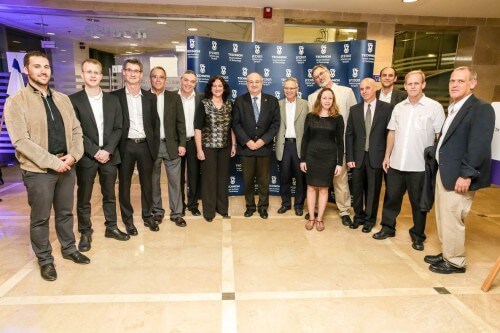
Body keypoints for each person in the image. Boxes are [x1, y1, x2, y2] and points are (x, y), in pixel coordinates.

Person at [4, 51, 89, 282]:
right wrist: (53, 163)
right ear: (26, 70)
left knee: (65, 213)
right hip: (38, 171)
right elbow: (21, 141)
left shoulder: (62, 99)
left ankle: (69, 249)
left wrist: (73, 156)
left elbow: (76, 130)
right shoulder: (16, 101)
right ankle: (45, 260)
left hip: (67, 165)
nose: (43, 71)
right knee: (40, 218)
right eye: (37, 66)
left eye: (46, 67)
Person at [425, 66, 495, 274]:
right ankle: (448, 251)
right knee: (443, 216)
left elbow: (479, 146)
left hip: (459, 175)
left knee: (453, 217)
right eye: (452, 81)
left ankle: (455, 261)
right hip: (445, 172)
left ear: (472, 83)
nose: (454, 85)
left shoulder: (480, 108)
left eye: (460, 81)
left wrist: (466, 174)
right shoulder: (456, 107)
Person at [373, 70, 445, 251]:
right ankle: (388, 228)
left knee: (418, 204)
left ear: (423, 85)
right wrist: (387, 155)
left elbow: (440, 136)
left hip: (420, 167)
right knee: (391, 199)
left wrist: (436, 163)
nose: (412, 86)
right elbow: (392, 132)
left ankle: (418, 235)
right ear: (404, 86)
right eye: (409, 84)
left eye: (416, 83)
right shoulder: (399, 107)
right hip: (397, 163)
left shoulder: (434, 107)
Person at [70, 58, 129, 252]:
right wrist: (95, 151)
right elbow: (75, 130)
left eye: (96, 72)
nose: (93, 75)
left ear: (101, 76)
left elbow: (118, 128)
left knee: (109, 194)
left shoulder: (113, 100)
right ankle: (85, 232)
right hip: (87, 157)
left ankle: (111, 227)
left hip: (110, 156)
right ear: (83, 74)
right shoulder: (74, 100)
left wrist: (108, 150)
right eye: (89, 72)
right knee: (84, 197)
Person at [111, 58, 160, 235]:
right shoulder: (114, 97)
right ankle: (128, 221)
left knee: (147, 184)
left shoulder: (150, 97)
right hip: (125, 146)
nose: (132, 74)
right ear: (124, 73)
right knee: (124, 185)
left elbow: (155, 123)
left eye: (136, 71)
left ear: (141, 75)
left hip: (145, 146)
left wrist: (153, 145)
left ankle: (148, 217)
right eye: (129, 70)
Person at [308, 64, 356, 226]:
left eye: (321, 73)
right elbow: (312, 124)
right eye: (316, 77)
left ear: (329, 72)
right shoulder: (312, 97)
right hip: (318, 150)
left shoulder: (347, 92)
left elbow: (354, 120)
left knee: (340, 181)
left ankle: (344, 211)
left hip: (339, 147)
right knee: (316, 183)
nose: (319, 77)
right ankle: (315, 211)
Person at [346, 78, 393, 233]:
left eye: (367, 88)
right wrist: (350, 157)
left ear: (375, 88)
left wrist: (387, 155)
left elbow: (389, 134)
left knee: (373, 190)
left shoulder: (387, 108)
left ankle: (370, 220)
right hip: (358, 158)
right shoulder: (354, 109)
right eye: (361, 89)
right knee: (357, 189)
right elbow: (350, 135)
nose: (364, 91)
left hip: (377, 157)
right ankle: (358, 217)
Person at [232, 72, 280, 219]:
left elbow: (275, 124)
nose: (254, 84)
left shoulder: (272, 101)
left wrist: (262, 141)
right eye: (251, 82)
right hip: (246, 148)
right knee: (248, 181)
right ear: (246, 84)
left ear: (262, 83)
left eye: (257, 82)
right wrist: (247, 141)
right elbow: (236, 123)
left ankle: (263, 207)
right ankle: (250, 206)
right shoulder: (239, 101)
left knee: (264, 181)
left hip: (264, 148)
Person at [300, 88, 344, 232]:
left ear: (333, 100)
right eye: (324, 98)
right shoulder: (310, 116)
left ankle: (320, 219)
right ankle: (311, 217)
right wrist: (303, 159)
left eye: (330, 98)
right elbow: (305, 139)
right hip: (312, 156)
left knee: (324, 189)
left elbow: (340, 142)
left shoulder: (338, 118)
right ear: (319, 99)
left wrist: (339, 162)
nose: (327, 101)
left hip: (329, 158)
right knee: (311, 187)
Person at [194, 76, 236, 222]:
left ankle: (222, 209)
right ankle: (209, 212)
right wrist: (199, 149)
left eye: (220, 86)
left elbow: (232, 127)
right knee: (209, 180)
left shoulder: (230, 104)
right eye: (214, 86)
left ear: (224, 88)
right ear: (210, 88)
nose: (217, 88)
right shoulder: (204, 103)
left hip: (225, 147)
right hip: (208, 148)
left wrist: (234, 144)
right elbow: (198, 128)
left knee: (222, 180)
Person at [150, 67, 187, 228]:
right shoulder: (144, 97)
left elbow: (181, 122)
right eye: (155, 77)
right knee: (153, 181)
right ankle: (157, 212)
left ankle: (177, 214)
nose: (158, 80)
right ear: (150, 79)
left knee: (175, 181)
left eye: (161, 77)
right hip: (151, 147)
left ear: (165, 80)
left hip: (171, 145)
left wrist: (182, 143)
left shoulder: (174, 98)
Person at [276, 77, 308, 216]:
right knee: (284, 177)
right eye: (286, 88)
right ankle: (286, 203)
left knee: (301, 178)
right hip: (284, 146)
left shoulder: (306, 104)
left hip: (299, 146)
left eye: (292, 88)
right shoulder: (277, 104)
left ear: (297, 89)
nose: (289, 91)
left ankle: (299, 205)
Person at [178, 70, 203, 216]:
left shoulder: (201, 98)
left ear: (195, 83)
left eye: (192, 81)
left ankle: (193, 204)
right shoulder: (172, 97)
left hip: (195, 142)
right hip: (177, 143)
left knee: (194, 175)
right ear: (181, 80)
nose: (189, 84)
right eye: (186, 80)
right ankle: (179, 205)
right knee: (178, 177)